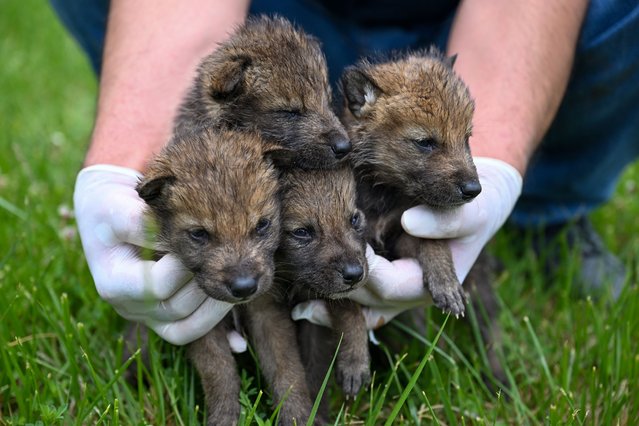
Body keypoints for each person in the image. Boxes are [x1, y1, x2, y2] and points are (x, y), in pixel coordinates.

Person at [60, 0, 637, 346]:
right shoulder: (257, 84)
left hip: (463, 26)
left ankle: (545, 209)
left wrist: (500, 163)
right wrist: (125, 163)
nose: (335, 142)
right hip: (271, 26)